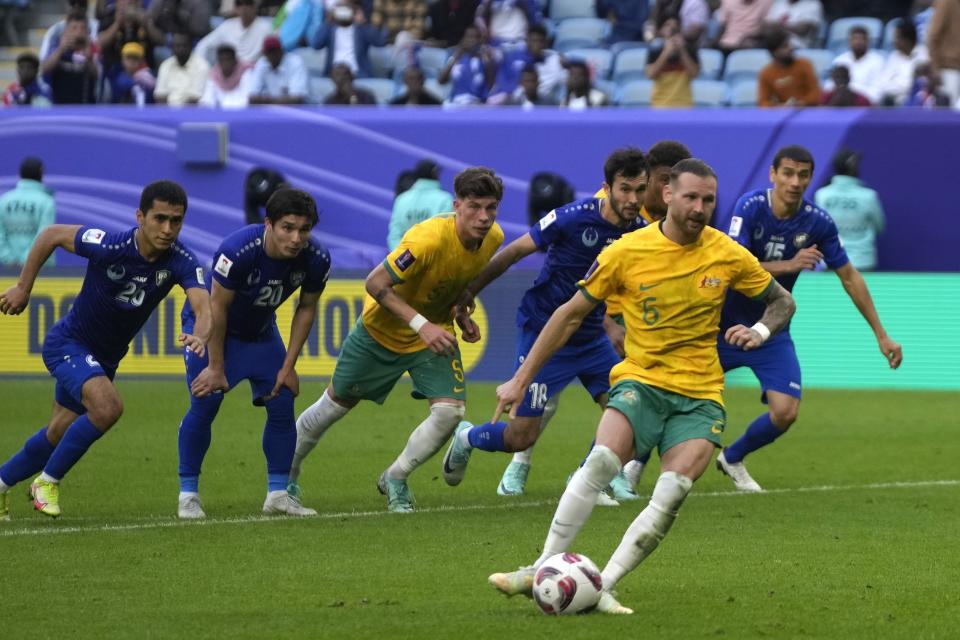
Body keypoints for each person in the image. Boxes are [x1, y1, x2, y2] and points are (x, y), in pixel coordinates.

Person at [487, 159, 796, 614]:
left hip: (700, 394)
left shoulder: (727, 253)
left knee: (671, 494)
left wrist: (760, 333)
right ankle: (539, 566)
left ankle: (602, 585)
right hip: (642, 381)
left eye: (708, 200)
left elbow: (781, 301)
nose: (699, 208)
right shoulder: (626, 251)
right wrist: (520, 378)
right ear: (667, 194)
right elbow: (569, 313)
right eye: (691, 197)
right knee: (601, 461)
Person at [288, 167, 505, 513]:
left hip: (432, 334)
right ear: (456, 205)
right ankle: (287, 476)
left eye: (491, 208)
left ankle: (396, 477)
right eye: (474, 207)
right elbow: (375, 283)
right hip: (380, 333)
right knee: (333, 407)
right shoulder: (427, 239)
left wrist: (462, 313)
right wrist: (422, 325)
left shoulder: (493, 238)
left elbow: (456, 280)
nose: (483, 217)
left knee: (450, 413)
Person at [440, 148, 649, 500]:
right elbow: (515, 251)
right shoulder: (572, 217)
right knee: (521, 436)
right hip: (544, 333)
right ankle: (467, 437)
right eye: (625, 189)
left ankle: (582, 480)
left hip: (591, 338)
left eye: (640, 190)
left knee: (636, 422)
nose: (633, 199)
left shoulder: (643, 234)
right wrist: (469, 292)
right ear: (607, 187)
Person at [0, 180, 210, 519]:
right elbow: (51, 234)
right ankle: (47, 482)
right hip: (67, 344)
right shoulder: (109, 245)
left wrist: (201, 334)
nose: (168, 229)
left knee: (58, 432)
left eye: (176, 220)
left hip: (104, 358)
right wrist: (23, 287)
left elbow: (204, 306)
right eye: (159, 218)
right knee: (108, 407)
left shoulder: (181, 260)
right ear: (140, 217)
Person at [714, 145, 902, 492]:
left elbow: (849, 276)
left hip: (771, 327)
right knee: (674, 396)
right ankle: (632, 465)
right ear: (773, 175)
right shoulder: (750, 207)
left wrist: (882, 335)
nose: (794, 182)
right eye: (787, 173)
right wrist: (788, 265)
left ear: (811, 179)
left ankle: (733, 457)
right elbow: (731, 267)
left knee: (785, 412)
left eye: (803, 175)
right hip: (722, 326)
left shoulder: (817, 221)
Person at [178, 189, 331, 519]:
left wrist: (288, 366)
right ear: (268, 224)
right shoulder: (237, 250)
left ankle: (278, 494)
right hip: (212, 329)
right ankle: (188, 494)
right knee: (206, 401)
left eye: (304, 230)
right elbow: (217, 308)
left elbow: (306, 308)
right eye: (287, 228)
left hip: (260, 333)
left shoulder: (317, 258)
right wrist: (216, 367)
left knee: (282, 400)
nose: (296, 238)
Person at [814, 148, 885, 272]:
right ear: (852, 166)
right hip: (863, 261)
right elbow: (879, 227)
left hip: (832, 262)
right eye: (857, 163)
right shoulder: (869, 196)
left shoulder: (821, 195)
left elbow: (818, 228)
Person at [0, 158, 56, 268]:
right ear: (41, 174)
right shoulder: (46, 201)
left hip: (6, 270)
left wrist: (9, 259)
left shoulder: (4, 200)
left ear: (20, 175)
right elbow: (44, 236)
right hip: (40, 270)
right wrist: (27, 260)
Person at [387, 160, 454, 250]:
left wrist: (402, 259)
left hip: (403, 259)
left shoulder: (401, 199)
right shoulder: (445, 199)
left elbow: (394, 236)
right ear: (436, 174)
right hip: (433, 261)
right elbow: (444, 236)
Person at [757, 26, 820, 107]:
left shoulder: (805, 64)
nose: (790, 48)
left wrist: (798, 104)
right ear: (774, 52)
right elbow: (762, 102)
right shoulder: (766, 73)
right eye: (784, 46)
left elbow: (816, 95)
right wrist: (782, 107)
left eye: (789, 44)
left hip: (807, 113)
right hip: (781, 115)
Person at [646, 17, 700, 108]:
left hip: (684, 105)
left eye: (675, 27)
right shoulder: (655, 50)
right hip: (660, 105)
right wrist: (666, 53)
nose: (671, 29)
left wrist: (682, 51)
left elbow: (694, 74)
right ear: (661, 30)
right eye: (667, 25)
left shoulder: (690, 49)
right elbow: (650, 75)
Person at [248, 35, 309, 104]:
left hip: (302, 110)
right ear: (264, 54)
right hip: (273, 110)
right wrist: (277, 101)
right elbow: (252, 97)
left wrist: (265, 101)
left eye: (274, 51)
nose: (272, 55)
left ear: (281, 51)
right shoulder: (262, 63)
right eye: (268, 52)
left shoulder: (296, 63)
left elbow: (297, 99)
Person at [154, 31, 211, 106]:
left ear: (190, 46)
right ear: (172, 48)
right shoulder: (166, 65)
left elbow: (195, 98)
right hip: (168, 112)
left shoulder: (201, 65)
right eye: (176, 46)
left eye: (183, 45)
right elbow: (160, 96)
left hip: (192, 112)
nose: (180, 49)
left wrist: (178, 114)